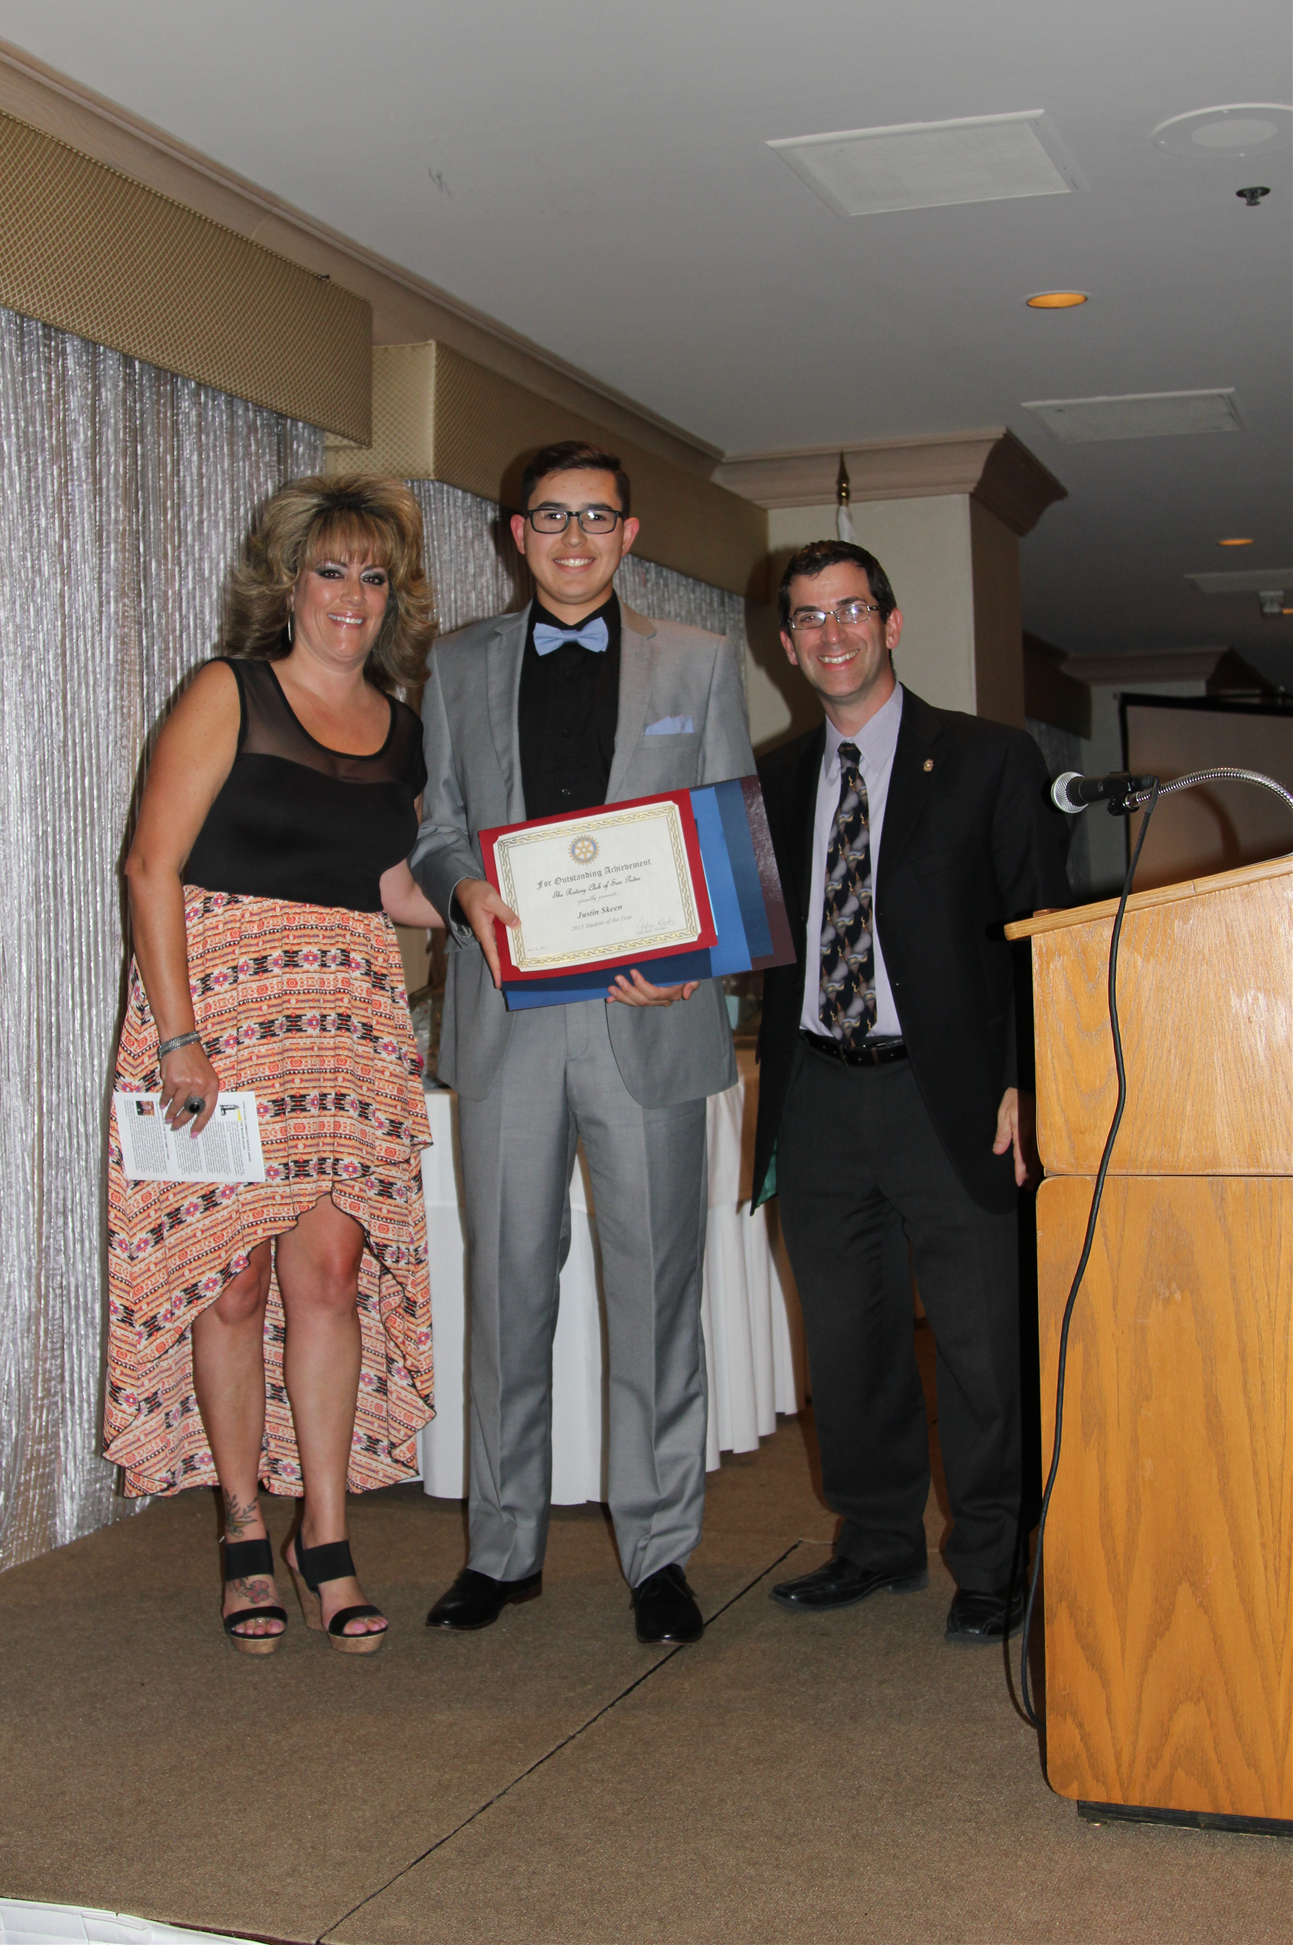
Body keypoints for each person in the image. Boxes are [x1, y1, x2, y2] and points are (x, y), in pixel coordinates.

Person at [411, 439, 754, 1644]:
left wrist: (695, 956)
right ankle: (502, 1549)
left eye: (596, 517)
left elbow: (726, 832)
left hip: (648, 1017)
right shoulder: (455, 663)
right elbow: (439, 829)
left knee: (655, 1292)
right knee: (506, 1290)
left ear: (628, 533)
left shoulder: (699, 659)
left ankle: (660, 1554)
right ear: (517, 535)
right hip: (508, 1018)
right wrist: (463, 890)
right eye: (550, 517)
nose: (572, 538)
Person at [106, 475, 443, 1655]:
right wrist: (178, 1037)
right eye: (331, 570)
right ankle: (245, 1528)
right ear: (289, 583)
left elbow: (389, 883)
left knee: (331, 1278)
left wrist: (503, 914)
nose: (352, 595)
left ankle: (328, 1538)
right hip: (218, 1021)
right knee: (233, 1283)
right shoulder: (229, 692)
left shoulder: (404, 725)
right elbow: (151, 866)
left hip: (347, 1021)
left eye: (373, 576)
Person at [752, 538, 1071, 1641]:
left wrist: (1034, 1077)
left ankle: (993, 1557)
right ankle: (877, 1540)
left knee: (982, 1344)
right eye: (809, 618)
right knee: (849, 1343)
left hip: (959, 1100)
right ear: (787, 645)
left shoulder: (990, 758)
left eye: (851, 610)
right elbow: (749, 930)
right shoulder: (774, 778)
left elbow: (1042, 929)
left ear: (890, 624)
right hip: (819, 1095)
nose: (831, 633)